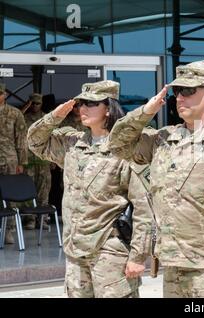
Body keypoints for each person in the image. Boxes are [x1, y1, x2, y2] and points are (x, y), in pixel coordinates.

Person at [108, 60, 204, 298]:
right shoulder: (164, 138)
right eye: (176, 91)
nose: (179, 97)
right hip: (173, 265)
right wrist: (146, 111)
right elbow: (118, 144)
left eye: (188, 91)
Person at [27, 80, 152, 298]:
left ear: (108, 108)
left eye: (91, 104)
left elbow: (143, 206)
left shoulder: (125, 148)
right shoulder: (72, 143)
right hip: (75, 250)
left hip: (109, 251)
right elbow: (35, 141)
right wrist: (55, 116)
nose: (82, 109)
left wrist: (138, 256)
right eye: (81, 103)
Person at [0, 83, 28, 244]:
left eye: (0, 93)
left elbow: (21, 140)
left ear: (4, 95)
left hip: (9, 159)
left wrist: (22, 162)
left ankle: (8, 230)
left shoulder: (14, 113)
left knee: (10, 196)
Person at [22, 93, 52, 230]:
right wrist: (25, 107)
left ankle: (43, 219)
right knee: (29, 191)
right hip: (29, 160)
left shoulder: (47, 118)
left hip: (43, 159)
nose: (35, 106)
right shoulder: (24, 117)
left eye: (37, 103)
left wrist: (54, 160)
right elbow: (12, 118)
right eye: (32, 103)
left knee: (43, 191)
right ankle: (30, 219)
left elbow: (53, 138)